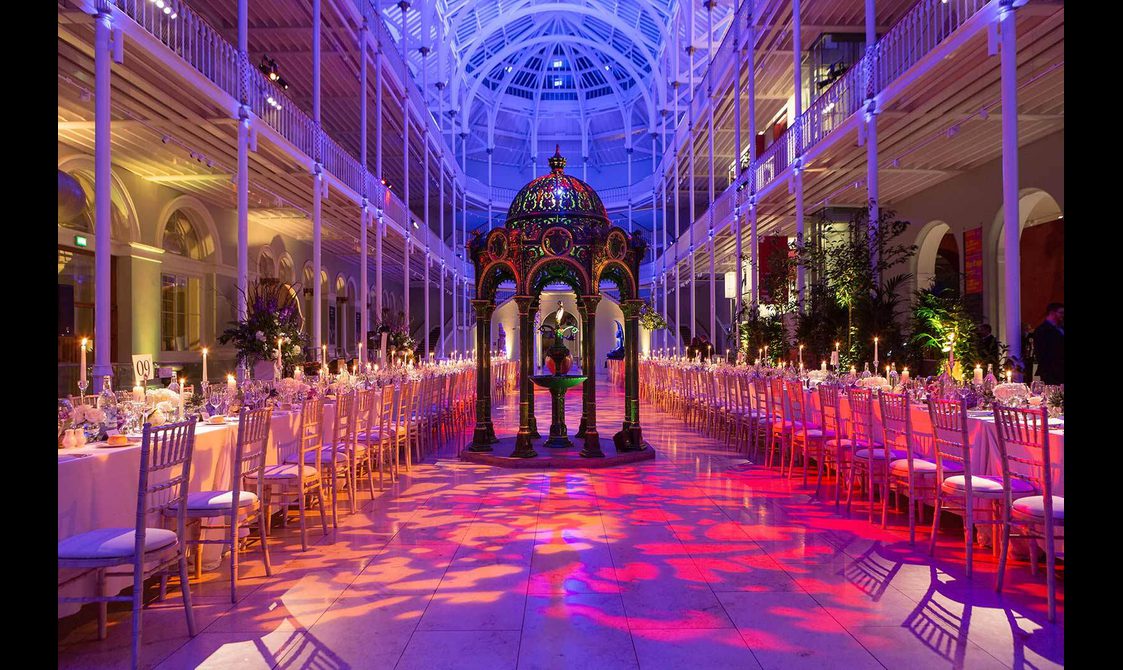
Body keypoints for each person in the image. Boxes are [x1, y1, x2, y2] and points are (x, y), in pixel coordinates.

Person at [1032, 303, 1064, 384]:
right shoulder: (1041, 330)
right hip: (1051, 372)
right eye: (1061, 313)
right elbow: (1040, 352)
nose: (1063, 315)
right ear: (1052, 313)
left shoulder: (1061, 328)